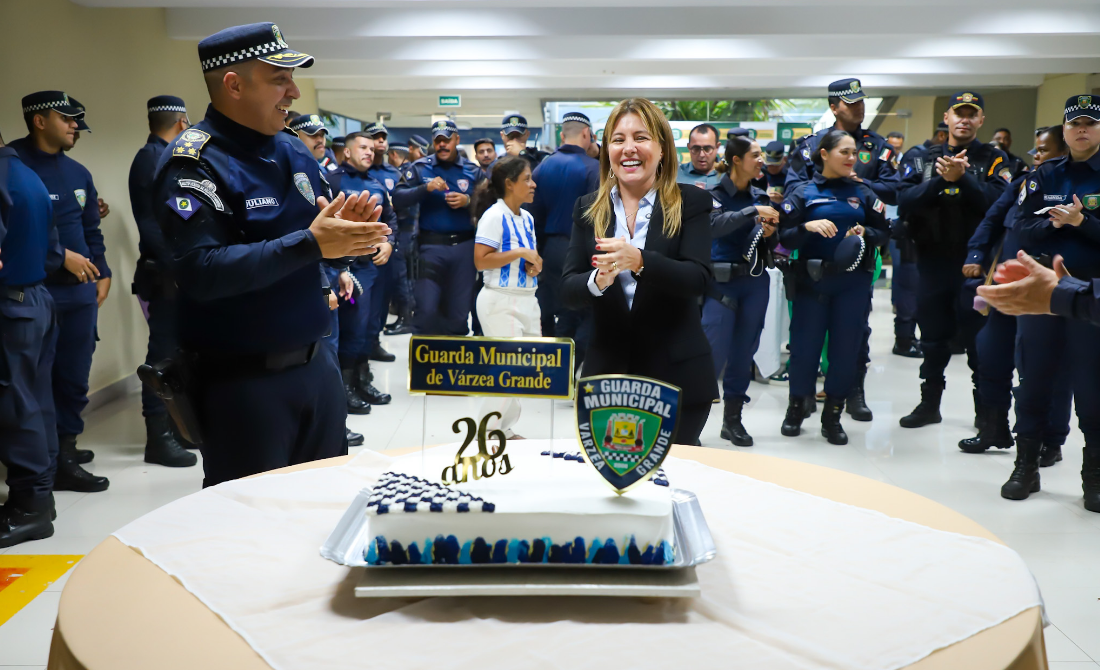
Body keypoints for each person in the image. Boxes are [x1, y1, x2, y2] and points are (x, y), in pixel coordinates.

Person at [152, 22, 390, 486]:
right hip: (244, 381)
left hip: (317, 365)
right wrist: (312, 243)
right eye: (280, 80)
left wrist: (344, 237)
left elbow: (313, 239)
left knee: (323, 502)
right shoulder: (193, 162)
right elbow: (201, 270)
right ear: (234, 85)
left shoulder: (291, 150)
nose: (294, 92)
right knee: (253, 515)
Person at [561, 98, 718, 446]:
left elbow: (698, 279)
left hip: (677, 375)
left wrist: (641, 261)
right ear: (607, 151)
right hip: (608, 378)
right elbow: (568, 290)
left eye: (641, 137)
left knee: (675, 470)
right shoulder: (588, 209)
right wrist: (597, 281)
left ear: (662, 149)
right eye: (618, 139)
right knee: (615, 476)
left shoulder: (690, 202)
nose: (628, 148)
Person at [995, 94, 1100, 510]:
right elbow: (1021, 228)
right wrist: (1054, 225)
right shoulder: (1043, 175)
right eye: (1074, 123)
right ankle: (1026, 466)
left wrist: (1082, 222)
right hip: (1042, 294)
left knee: (1092, 386)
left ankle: (1094, 476)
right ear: (1065, 129)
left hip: (1091, 296)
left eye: (1090, 123)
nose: (1081, 130)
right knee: (1033, 379)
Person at [11, 92, 110, 492]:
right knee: (36, 383)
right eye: (66, 118)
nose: (74, 126)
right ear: (39, 120)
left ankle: (65, 452)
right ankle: (43, 461)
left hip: (80, 293)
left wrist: (103, 271)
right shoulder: (14, 167)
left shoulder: (78, 172)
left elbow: (90, 229)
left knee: (73, 377)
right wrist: (59, 257)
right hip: (35, 293)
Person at [786, 79, 901, 422]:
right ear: (834, 106)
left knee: (852, 335)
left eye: (861, 102)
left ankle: (851, 394)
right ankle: (801, 399)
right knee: (806, 339)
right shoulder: (810, 146)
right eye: (851, 103)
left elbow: (894, 190)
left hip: (858, 259)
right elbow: (795, 191)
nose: (859, 108)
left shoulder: (877, 146)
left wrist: (860, 186)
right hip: (813, 260)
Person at [896, 91, 1010, 429]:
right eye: (959, 113)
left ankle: (985, 414)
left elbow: (1001, 203)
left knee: (978, 340)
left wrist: (964, 180)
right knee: (932, 337)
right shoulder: (920, 157)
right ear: (946, 118)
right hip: (931, 261)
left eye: (972, 114)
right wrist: (940, 182)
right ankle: (929, 405)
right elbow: (903, 200)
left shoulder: (994, 159)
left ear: (981, 120)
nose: (965, 120)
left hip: (975, 265)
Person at [958, 126, 1071, 461]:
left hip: (1045, 293)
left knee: (1042, 368)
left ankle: (1050, 441)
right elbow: (992, 220)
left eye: (1043, 151)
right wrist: (975, 255)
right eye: (1035, 150)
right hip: (1007, 287)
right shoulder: (1024, 182)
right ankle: (993, 428)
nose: (1036, 157)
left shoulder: (1074, 188)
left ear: (1063, 153)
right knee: (991, 354)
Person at [777, 129, 890, 444]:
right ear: (824, 154)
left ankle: (833, 415)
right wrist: (806, 226)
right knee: (804, 349)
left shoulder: (863, 193)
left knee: (845, 350)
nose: (852, 158)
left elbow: (884, 232)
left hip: (852, 284)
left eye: (854, 152)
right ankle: (796, 407)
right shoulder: (803, 192)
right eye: (845, 152)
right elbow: (784, 238)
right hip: (811, 282)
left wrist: (866, 232)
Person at [0, 129, 65, 547]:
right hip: (37, 298)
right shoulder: (27, 175)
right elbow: (54, 254)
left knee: (13, 406)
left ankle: (29, 508)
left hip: (10, 306)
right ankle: (42, 495)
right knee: (36, 401)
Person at [127, 95, 198, 468]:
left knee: (181, 354)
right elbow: (152, 224)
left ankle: (179, 429)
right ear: (182, 122)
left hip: (178, 271)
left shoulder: (165, 157)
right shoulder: (152, 158)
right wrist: (183, 265)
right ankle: (158, 438)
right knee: (163, 356)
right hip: (166, 274)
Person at [703, 135, 779, 447]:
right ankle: (693, 419)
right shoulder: (713, 194)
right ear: (736, 160)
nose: (761, 161)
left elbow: (773, 243)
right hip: (720, 284)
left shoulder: (761, 195)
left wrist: (770, 232)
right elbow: (714, 227)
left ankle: (732, 420)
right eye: (755, 155)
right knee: (712, 352)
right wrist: (752, 212)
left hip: (755, 283)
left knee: (744, 352)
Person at [393, 119, 484, 335]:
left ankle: (453, 356)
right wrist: (425, 188)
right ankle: (423, 355)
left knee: (458, 314)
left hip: (464, 249)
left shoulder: (473, 171)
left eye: (447, 140)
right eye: (438, 141)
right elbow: (397, 197)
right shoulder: (420, 167)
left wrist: (468, 201)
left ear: (457, 140)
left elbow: (491, 204)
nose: (442, 144)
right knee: (426, 309)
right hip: (430, 248)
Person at [472, 155, 542, 438]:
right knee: (507, 369)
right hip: (499, 300)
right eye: (527, 179)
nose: (533, 184)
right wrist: (520, 253)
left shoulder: (528, 218)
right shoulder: (493, 216)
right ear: (510, 184)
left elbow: (528, 259)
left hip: (528, 298)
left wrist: (534, 265)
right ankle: (488, 431)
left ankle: (505, 428)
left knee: (525, 370)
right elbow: (481, 260)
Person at [329, 132, 396, 411]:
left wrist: (389, 243)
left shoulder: (376, 183)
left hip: (373, 267)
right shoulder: (332, 180)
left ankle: (362, 380)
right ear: (347, 152)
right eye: (363, 147)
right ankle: (344, 388)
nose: (369, 152)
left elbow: (391, 219)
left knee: (370, 327)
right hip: (345, 269)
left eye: (372, 148)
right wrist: (338, 266)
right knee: (352, 327)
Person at [529, 111, 600, 342]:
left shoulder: (541, 168)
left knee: (550, 308)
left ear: (562, 135)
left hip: (549, 251)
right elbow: (596, 218)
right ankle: (572, 359)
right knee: (581, 311)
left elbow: (533, 214)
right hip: (581, 251)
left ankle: (551, 356)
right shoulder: (593, 169)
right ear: (587, 134)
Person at [361, 122, 400, 361]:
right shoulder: (348, 176)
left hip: (386, 245)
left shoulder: (393, 174)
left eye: (383, 137)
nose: (381, 141)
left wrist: (391, 241)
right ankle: (356, 356)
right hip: (357, 252)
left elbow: (395, 213)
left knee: (382, 299)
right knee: (360, 305)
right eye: (375, 137)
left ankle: (374, 343)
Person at [383, 141, 416, 335]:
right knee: (402, 277)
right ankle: (404, 316)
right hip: (405, 231)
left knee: (401, 277)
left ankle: (406, 319)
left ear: (394, 155)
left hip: (404, 230)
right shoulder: (407, 172)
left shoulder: (404, 174)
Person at [676, 123, 722, 190]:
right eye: (696, 149)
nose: (701, 155)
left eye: (707, 149)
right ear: (689, 147)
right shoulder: (677, 175)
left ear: (717, 147)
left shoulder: (729, 175)